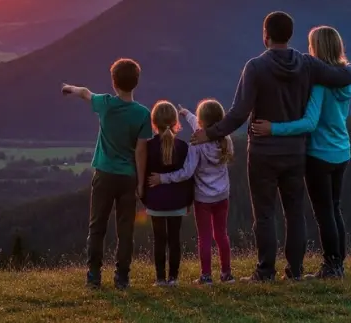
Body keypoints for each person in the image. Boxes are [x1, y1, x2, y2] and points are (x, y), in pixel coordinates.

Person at [191, 11, 351, 282]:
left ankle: (265, 271)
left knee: (265, 214)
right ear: (290, 35)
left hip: (263, 153)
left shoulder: (255, 67)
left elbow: (238, 113)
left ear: (265, 35)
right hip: (296, 153)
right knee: (295, 213)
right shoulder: (307, 64)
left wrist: (209, 134)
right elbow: (344, 76)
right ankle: (295, 272)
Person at [252, 26, 351, 279]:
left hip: (319, 153)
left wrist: (273, 128)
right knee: (335, 207)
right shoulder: (347, 78)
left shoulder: (321, 84)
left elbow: (309, 123)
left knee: (324, 213)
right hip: (342, 150)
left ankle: (331, 266)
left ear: (317, 48)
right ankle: (338, 262)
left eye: (311, 45)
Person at [61, 58, 153, 290]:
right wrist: (141, 184)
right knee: (125, 231)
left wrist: (69, 88)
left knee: (97, 227)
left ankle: (93, 276)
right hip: (128, 178)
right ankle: (122, 278)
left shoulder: (105, 104)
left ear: (114, 83)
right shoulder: (143, 114)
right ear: (136, 83)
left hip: (104, 175)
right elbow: (142, 152)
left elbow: (84, 93)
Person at [150, 99, 235, 285]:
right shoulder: (226, 140)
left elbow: (186, 172)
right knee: (221, 234)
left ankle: (206, 276)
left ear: (202, 122)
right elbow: (204, 126)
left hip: (203, 199)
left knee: (204, 236)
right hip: (222, 196)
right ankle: (227, 273)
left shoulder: (196, 144)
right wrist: (187, 114)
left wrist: (162, 178)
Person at [140, 101, 193, 287]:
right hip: (177, 202)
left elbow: (144, 174)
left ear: (154, 122)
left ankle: (160, 278)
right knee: (174, 240)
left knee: (159, 240)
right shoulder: (184, 147)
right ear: (175, 121)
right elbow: (188, 177)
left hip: (155, 202)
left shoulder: (148, 146)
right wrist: (188, 201)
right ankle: (174, 278)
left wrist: (145, 197)